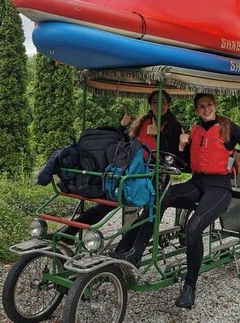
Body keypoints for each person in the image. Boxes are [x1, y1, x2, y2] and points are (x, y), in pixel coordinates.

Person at [112, 93, 240, 309]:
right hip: (197, 183)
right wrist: (182, 147)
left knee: (193, 228)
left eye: (209, 105)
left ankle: (189, 288)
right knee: (160, 198)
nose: (206, 109)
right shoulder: (194, 130)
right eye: (201, 106)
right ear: (196, 110)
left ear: (216, 105)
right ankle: (134, 252)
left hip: (220, 188)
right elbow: (183, 165)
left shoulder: (227, 127)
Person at [64, 90, 182, 235]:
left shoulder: (173, 126)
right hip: (132, 169)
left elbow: (172, 155)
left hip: (154, 173)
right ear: (150, 105)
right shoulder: (144, 121)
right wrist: (122, 126)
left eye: (162, 101)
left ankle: (132, 243)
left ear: (168, 104)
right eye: (155, 102)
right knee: (105, 201)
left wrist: (157, 135)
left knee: (145, 208)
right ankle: (70, 232)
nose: (159, 105)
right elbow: (125, 142)